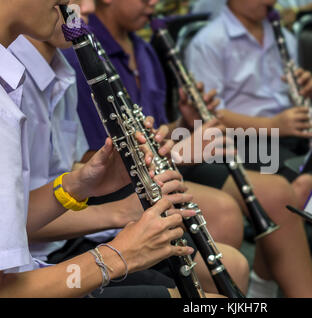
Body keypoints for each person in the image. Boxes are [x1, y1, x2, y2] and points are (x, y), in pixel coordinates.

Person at [9, 0, 248, 296]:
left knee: (233, 265)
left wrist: (82, 182)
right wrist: (120, 221)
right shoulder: (16, 85)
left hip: (57, 242)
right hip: (42, 258)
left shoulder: (63, 69)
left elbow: (61, 169)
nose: (87, 8)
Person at [185, 0, 312, 297]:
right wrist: (273, 124)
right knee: (293, 190)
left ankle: (263, 281)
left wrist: (305, 89)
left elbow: (289, 94)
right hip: (238, 141)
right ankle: (263, 284)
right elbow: (207, 115)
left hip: (283, 135)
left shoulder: (282, 34)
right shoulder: (209, 41)